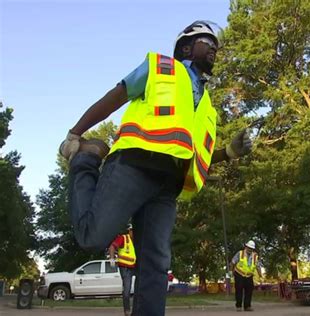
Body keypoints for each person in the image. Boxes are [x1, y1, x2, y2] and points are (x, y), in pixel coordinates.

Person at [59, 20, 252, 316]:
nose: (214, 48)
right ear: (186, 47)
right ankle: (86, 159)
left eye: (216, 45)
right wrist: (75, 134)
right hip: (134, 166)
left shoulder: (207, 106)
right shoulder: (162, 68)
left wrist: (228, 152)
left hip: (167, 185)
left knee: (157, 262)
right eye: (207, 42)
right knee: (92, 237)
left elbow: (197, 155)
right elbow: (116, 96)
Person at [109, 224, 135, 316]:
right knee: (127, 290)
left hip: (135, 268)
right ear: (129, 231)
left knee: (142, 288)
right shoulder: (124, 238)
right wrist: (112, 258)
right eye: (132, 230)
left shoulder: (137, 241)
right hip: (125, 268)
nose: (134, 233)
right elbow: (112, 247)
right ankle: (127, 311)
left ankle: (137, 310)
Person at [230, 240, 263, 312]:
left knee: (249, 290)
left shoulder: (255, 256)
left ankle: (247, 306)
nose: (249, 249)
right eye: (249, 248)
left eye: (251, 248)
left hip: (249, 276)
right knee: (239, 290)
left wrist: (260, 276)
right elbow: (232, 262)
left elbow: (258, 266)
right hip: (239, 274)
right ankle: (238, 306)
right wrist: (230, 272)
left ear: (253, 249)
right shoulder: (240, 253)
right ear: (246, 247)